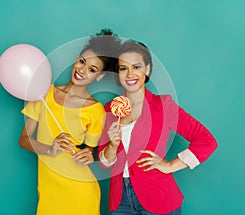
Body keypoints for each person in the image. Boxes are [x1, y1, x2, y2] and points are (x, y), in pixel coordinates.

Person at [98, 40, 218, 215]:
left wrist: (170, 166)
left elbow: (207, 141)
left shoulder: (163, 106)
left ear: (147, 69)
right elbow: (104, 163)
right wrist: (112, 146)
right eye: (124, 68)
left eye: (136, 67)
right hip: (120, 201)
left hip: (158, 198)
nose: (130, 74)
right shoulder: (110, 109)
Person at [19, 29, 120, 215]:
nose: (82, 70)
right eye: (82, 61)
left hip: (81, 192)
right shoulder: (43, 93)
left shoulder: (96, 110)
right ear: (76, 58)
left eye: (92, 69)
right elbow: (24, 139)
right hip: (49, 191)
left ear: (99, 76)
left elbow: (89, 151)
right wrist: (50, 149)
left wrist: (88, 155)